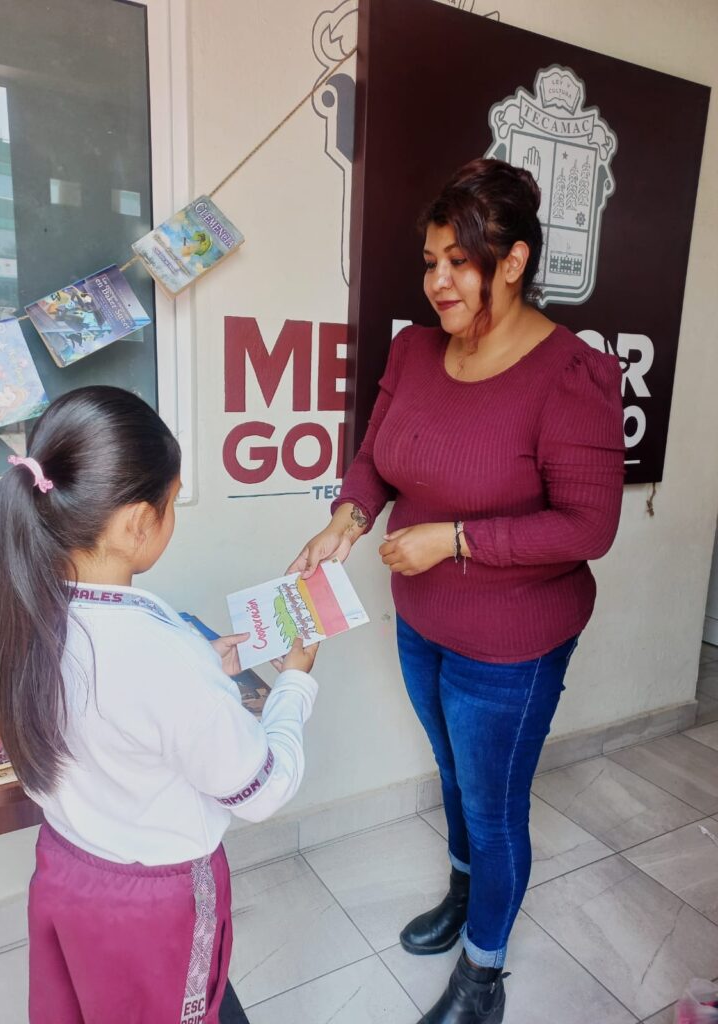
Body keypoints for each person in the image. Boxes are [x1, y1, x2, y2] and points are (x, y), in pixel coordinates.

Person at [288, 158, 625, 1024]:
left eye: (458, 263)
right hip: (422, 621)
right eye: (430, 261)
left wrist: (457, 539)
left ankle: (484, 972)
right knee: (453, 774)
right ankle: (465, 898)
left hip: (514, 642)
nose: (437, 281)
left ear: (511, 262)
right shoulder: (413, 348)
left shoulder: (571, 375)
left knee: (495, 801)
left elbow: (588, 528)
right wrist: (349, 517)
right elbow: (376, 456)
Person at [0, 385, 318, 1024]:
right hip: (153, 904)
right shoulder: (161, 658)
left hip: (67, 871)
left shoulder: (30, 611)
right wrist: (295, 683)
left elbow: (115, 714)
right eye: (171, 505)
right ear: (139, 522)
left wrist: (202, 674)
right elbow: (263, 788)